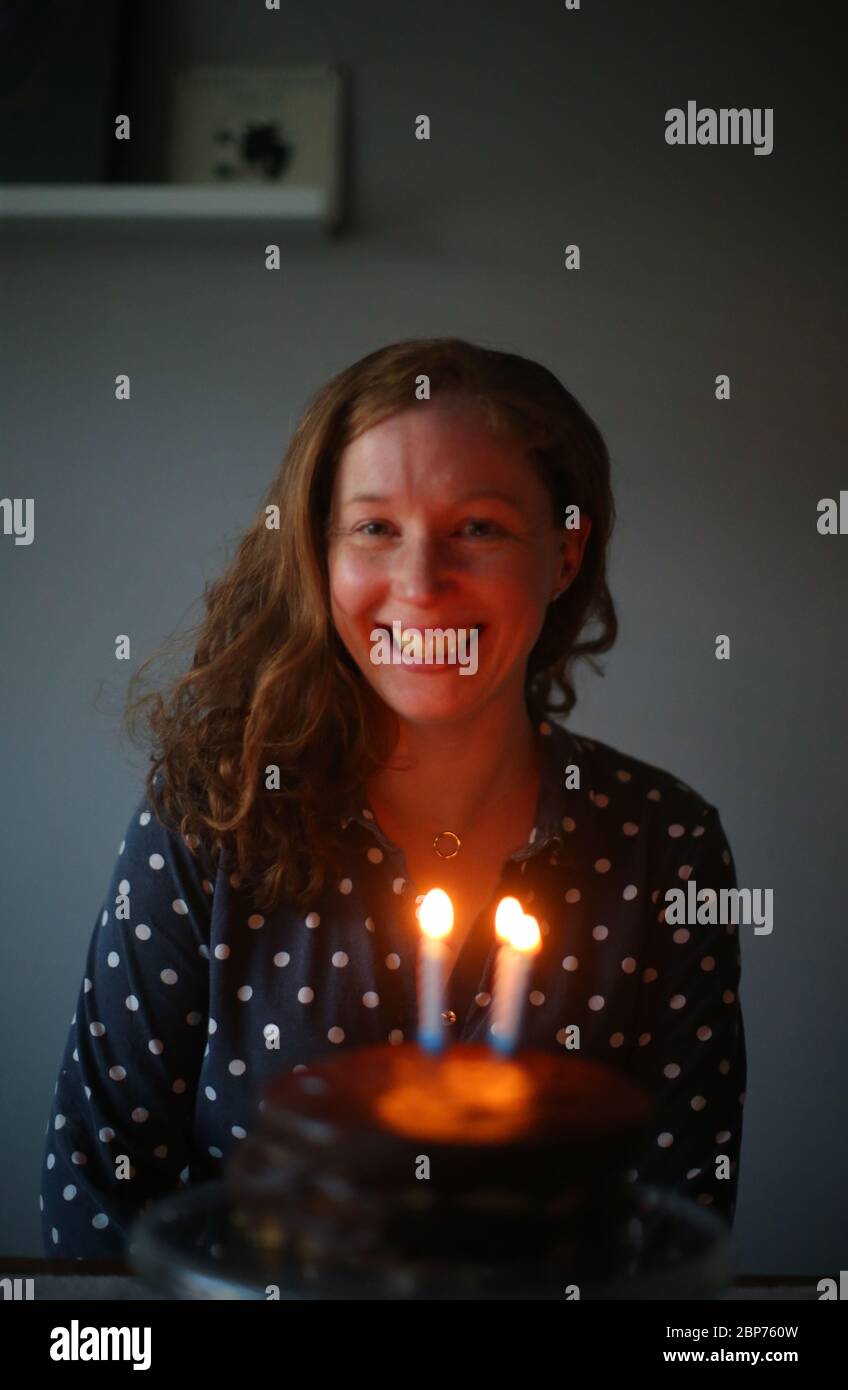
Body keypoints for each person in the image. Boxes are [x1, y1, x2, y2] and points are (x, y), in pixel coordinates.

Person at [40, 337, 746, 1259]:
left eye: (480, 528)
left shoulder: (667, 844)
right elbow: (96, 1199)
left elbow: (682, 1229)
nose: (420, 585)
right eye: (375, 529)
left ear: (564, 553)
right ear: (318, 553)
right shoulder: (214, 820)